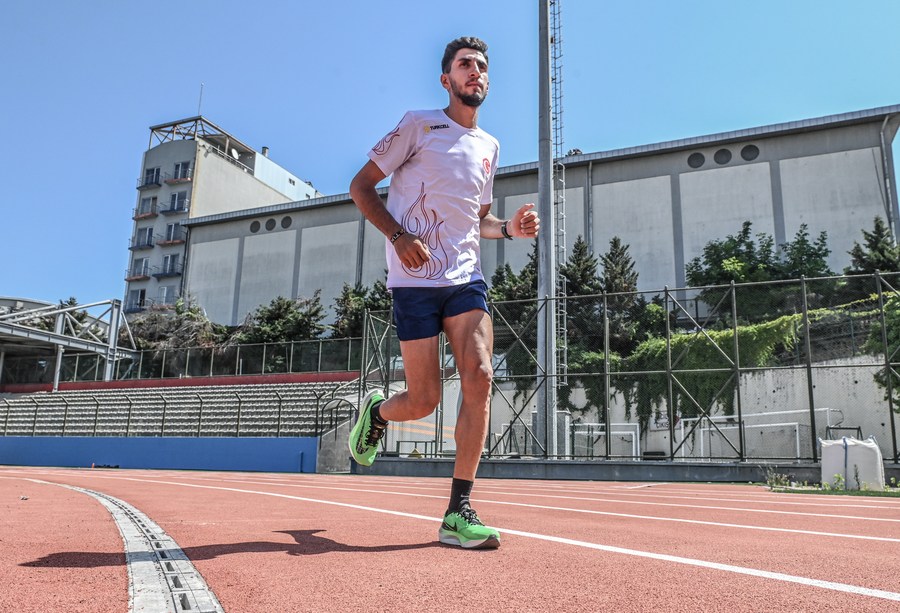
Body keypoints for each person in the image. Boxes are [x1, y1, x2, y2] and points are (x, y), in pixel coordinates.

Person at [348, 36, 540, 550]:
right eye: (464, 65)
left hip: (465, 280)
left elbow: (479, 220)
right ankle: (378, 413)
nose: (474, 72)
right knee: (424, 400)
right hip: (413, 281)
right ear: (446, 80)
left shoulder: (490, 148)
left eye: (481, 66)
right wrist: (398, 236)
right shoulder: (419, 124)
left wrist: (511, 231)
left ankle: (458, 511)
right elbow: (361, 187)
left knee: (479, 376)